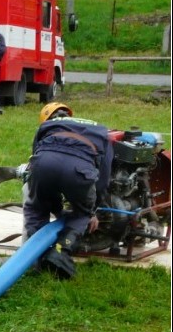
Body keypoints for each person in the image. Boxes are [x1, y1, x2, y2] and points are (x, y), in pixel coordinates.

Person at [22, 102, 114, 280]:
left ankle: (34, 254)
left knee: (37, 207)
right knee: (80, 214)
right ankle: (60, 251)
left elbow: (35, 158)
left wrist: (54, 206)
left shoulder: (46, 126)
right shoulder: (103, 133)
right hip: (80, 171)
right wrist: (92, 210)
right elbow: (103, 179)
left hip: (44, 164)